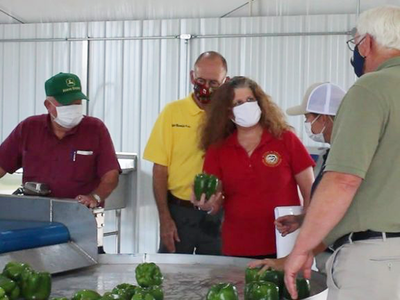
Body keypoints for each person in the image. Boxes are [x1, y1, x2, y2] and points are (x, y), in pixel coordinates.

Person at [284, 6, 400, 300]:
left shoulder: (371, 88)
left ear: (366, 43)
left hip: (379, 263)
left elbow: (343, 180)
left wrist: (302, 247)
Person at [191, 76, 315, 259]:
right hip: (238, 246)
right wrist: (206, 205)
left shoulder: (285, 139)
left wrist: (306, 222)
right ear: (228, 112)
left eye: (250, 100)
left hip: (285, 241)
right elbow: (215, 200)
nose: (246, 106)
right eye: (238, 102)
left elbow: (310, 190)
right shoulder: (218, 149)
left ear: (260, 103)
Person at [249, 82, 346, 272]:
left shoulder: (345, 156)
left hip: (345, 252)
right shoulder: (332, 153)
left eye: (308, 117)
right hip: (331, 253)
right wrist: (302, 219)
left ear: (324, 118)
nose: (307, 123)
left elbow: (337, 215)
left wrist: (294, 257)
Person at [143, 51, 229, 254]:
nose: (206, 87)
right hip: (179, 213)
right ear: (192, 77)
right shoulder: (172, 112)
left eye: (214, 83)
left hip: (219, 215)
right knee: (173, 280)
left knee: (217, 279)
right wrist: (164, 219)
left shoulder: (230, 117)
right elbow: (159, 169)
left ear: (225, 82)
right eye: (200, 80)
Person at [0, 72, 120, 209]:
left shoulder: (95, 129)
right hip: (35, 215)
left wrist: (95, 197)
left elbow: (111, 176)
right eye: (67, 104)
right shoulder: (28, 128)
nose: (73, 108)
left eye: (77, 103)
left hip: (80, 217)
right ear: (48, 105)